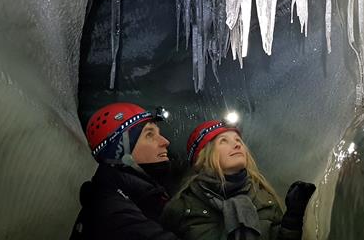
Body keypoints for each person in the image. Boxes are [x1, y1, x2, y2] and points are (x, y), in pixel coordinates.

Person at [161, 120, 316, 240]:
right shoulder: (181, 208)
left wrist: (292, 220)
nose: (236, 145)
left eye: (238, 140)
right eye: (223, 141)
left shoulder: (264, 198)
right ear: (203, 157)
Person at [70, 102, 180, 240]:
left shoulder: (136, 196)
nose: (165, 141)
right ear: (121, 149)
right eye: (149, 134)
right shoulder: (110, 212)